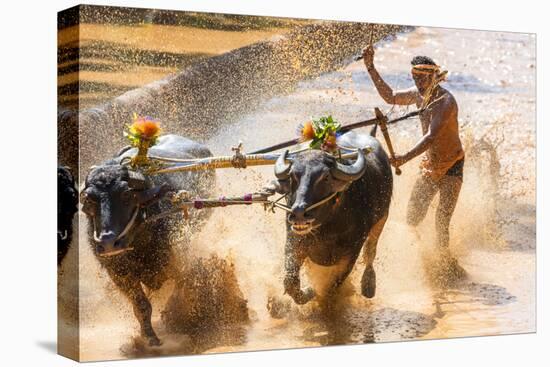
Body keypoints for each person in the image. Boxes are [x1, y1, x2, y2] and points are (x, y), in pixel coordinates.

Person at [362, 45, 465, 277]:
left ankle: (445, 265)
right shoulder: (418, 95)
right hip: (429, 166)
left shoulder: (445, 101)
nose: (418, 82)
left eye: (422, 78)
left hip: (452, 165)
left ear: (433, 76)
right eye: (414, 77)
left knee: (441, 220)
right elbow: (390, 96)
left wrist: (403, 158)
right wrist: (370, 67)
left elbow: (431, 137)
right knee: (412, 218)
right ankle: (420, 260)